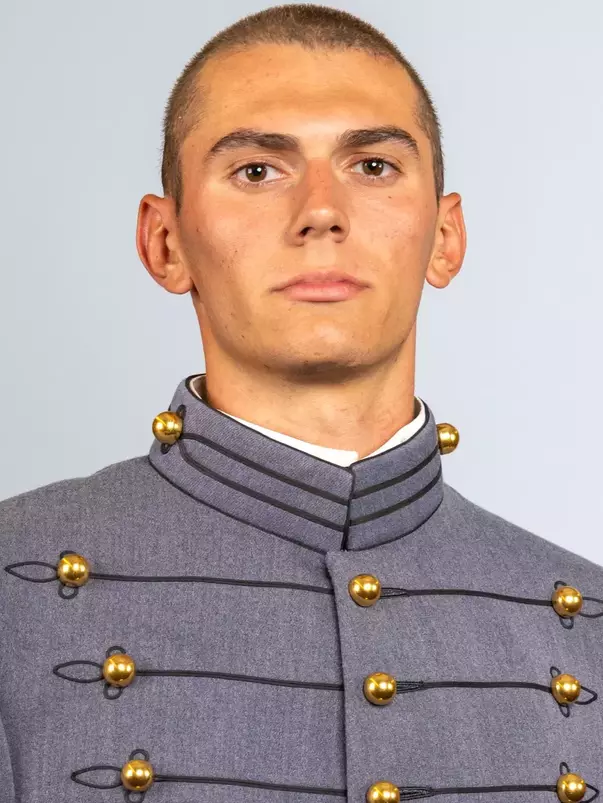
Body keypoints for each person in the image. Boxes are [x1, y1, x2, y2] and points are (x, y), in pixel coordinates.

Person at [1, 4, 602, 802]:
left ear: (445, 237)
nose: (322, 210)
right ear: (165, 243)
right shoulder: (17, 585)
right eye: (257, 170)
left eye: (373, 166)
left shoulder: (583, 617)